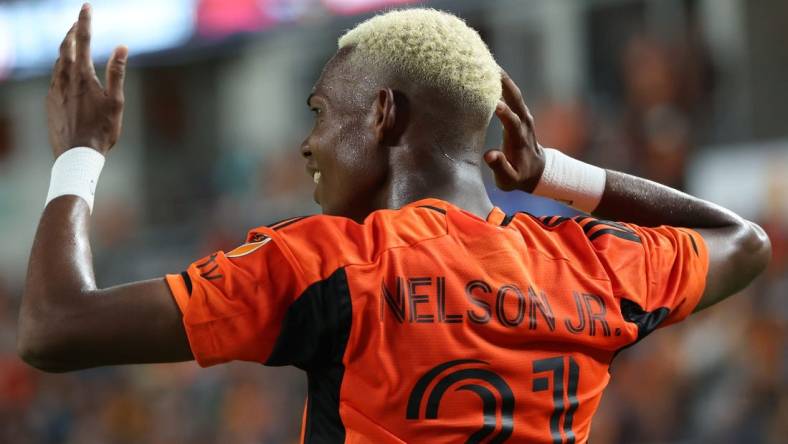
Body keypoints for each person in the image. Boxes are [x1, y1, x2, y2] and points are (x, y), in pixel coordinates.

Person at [18, 4, 771, 443]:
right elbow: (742, 241)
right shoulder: (590, 268)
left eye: (320, 112)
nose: (307, 143)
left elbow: (55, 327)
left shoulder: (331, 263)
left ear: (383, 115)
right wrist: (555, 175)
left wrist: (80, 155)